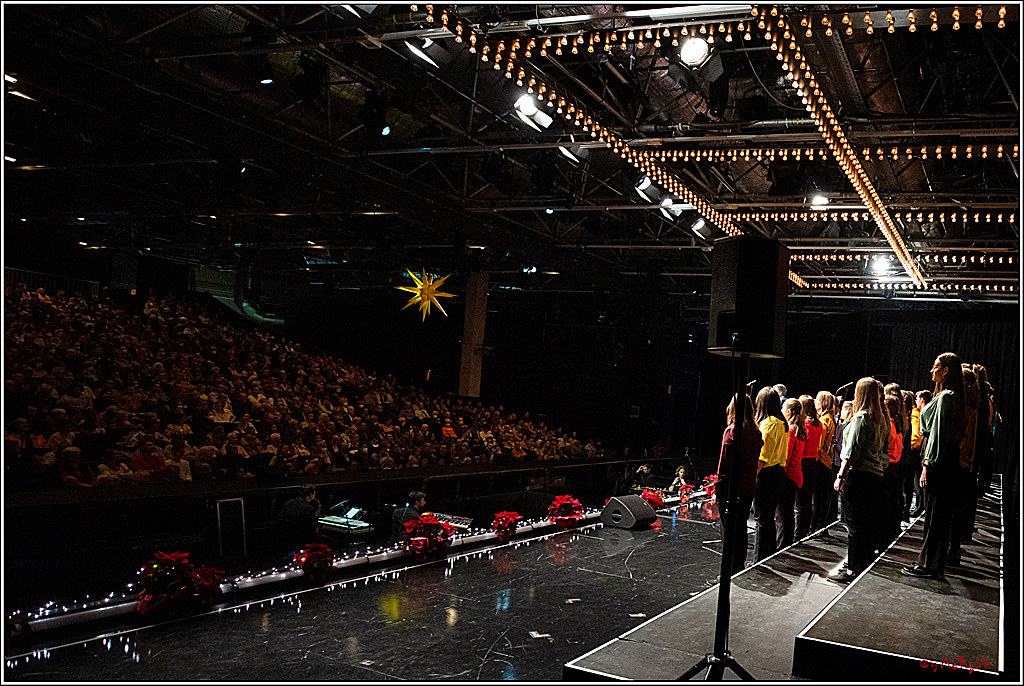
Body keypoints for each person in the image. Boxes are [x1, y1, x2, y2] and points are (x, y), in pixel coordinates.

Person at [902, 353, 966, 580]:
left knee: (935, 515)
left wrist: (928, 464)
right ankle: (931, 563)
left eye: (936, 366)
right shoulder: (953, 396)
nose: (932, 370)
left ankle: (928, 565)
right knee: (937, 514)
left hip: (939, 460)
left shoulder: (948, 397)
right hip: (946, 459)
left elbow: (938, 435)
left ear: (946, 370)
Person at [829, 378, 888, 583]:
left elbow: (851, 452)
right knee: (867, 522)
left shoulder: (861, 418)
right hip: (875, 475)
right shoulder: (881, 419)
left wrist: (840, 476)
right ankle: (864, 562)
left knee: (854, 525)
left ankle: (853, 569)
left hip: (858, 475)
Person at [714, 393, 763, 577]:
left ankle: (728, 570)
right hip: (748, 487)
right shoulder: (756, 431)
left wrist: (718, 489)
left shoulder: (733, 430)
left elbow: (724, 464)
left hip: (732, 489)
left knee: (729, 532)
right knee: (741, 528)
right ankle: (738, 566)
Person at [753, 386, 788, 562]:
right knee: (769, 517)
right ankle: (769, 554)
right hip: (779, 473)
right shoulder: (782, 423)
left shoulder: (769, 424)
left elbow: (763, 455)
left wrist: (752, 478)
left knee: (761, 518)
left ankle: (759, 559)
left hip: (766, 474)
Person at [776, 398, 805, 550]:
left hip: (788, 475)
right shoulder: (800, 428)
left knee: (782, 514)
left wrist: (780, 476)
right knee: (787, 512)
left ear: (788, 412)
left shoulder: (792, 429)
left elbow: (786, 456)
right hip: (795, 474)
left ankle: (781, 546)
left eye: (783, 409)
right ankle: (786, 543)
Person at [794, 395, 823, 539]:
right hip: (813, 462)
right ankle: (805, 530)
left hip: (803, 462)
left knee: (800, 502)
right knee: (807, 500)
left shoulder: (805, 425)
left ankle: (798, 533)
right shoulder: (819, 424)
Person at [811, 391, 837, 535]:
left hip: (821, 461)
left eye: (818, 400)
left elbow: (819, 445)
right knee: (820, 497)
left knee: (818, 497)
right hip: (826, 461)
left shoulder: (824, 421)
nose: (815, 402)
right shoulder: (829, 418)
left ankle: (816, 526)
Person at [275, 484, 321, 552]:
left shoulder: (289, 502)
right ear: (311, 494)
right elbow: (312, 528)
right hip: (297, 537)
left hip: (282, 534)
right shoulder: (308, 508)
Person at [909, 390, 932, 517]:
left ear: (922, 400)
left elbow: (917, 434)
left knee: (919, 479)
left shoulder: (920, 414)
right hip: (920, 448)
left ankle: (921, 506)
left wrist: (913, 447)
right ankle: (920, 505)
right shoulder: (920, 413)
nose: (916, 402)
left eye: (917, 399)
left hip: (920, 449)